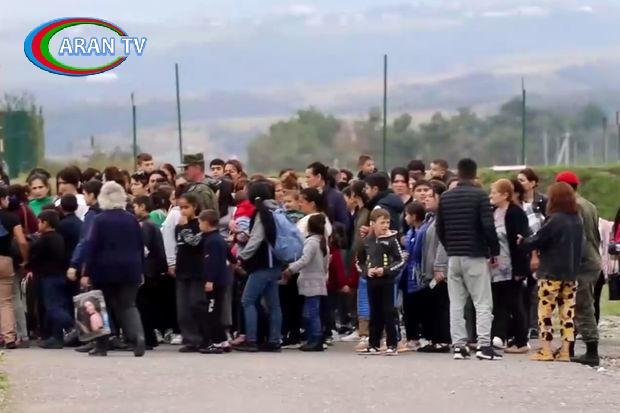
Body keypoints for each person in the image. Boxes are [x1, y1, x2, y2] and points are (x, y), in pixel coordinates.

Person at [435, 158, 501, 361]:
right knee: (482, 302)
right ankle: (484, 345)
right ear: (474, 174)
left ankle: (459, 346)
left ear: (458, 172)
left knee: (456, 303)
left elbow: (440, 228)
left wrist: (450, 247)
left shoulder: (446, 197)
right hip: (475, 255)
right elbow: (488, 226)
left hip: (454, 257)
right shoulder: (480, 196)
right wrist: (493, 250)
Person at [518, 182, 583, 362]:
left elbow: (538, 239)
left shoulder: (555, 219)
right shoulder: (577, 219)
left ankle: (546, 350)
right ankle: (565, 351)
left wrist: (522, 242)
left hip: (551, 272)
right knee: (567, 314)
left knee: (545, 312)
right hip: (571, 273)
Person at [82, 182, 145, 357]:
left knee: (102, 307)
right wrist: (141, 269)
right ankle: (138, 337)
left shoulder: (99, 220)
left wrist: (86, 272)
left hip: (103, 270)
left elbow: (92, 247)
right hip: (130, 269)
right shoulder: (132, 219)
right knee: (128, 305)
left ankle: (102, 345)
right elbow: (140, 245)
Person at [555, 171, 602, 366]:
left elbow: (577, 239)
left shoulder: (574, 208)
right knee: (573, 305)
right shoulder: (588, 205)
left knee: (582, 306)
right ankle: (569, 346)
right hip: (592, 259)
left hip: (582, 263)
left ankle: (592, 351)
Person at [234, 180, 282, 352]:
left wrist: (242, 256)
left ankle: (252, 339)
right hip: (276, 262)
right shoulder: (277, 209)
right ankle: (274, 340)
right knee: (274, 304)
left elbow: (256, 239)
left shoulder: (262, 212)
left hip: (263, 263)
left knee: (247, 300)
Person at [488, 179, 530, 354]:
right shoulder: (493, 212)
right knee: (498, 303)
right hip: (495, 266)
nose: (491, 196)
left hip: (512, 265)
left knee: (514, 303)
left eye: (494, 192)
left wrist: (520, 269)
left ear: (505, 194)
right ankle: (500, 336)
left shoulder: (515, 213)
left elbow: (520, 242)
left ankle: (521, 341)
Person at [356, 208, 404, 355]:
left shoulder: (391, 240)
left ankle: (392, 344)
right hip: (372, 282)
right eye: (382, 222)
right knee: (374, 312)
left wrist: (386, 270)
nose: (385, 226)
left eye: (387, 222)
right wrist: (367, 271)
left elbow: (400, 260)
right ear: (372, 223)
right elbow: (359, 261)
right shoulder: (366, 241)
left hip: (387, 281)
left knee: (388, 311)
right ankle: (373, 344)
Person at [283, 214, 330, 352]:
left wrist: (290, 269)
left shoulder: (311, 242)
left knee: (311, 312)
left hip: (310, 280)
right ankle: (314, 338)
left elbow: (305, 259)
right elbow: (325, 264)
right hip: (319, 279)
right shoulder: (323, 243)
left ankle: (315, 339)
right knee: (313, 311)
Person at [27, 210, 73, 349]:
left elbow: (34, 257)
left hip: (48, 277)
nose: (38, 225)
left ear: (45, 223)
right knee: (57, 305)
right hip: (60, 276)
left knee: (53, 307)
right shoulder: (59, 238)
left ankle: (72, 325)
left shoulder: (44, 240)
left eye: (39, 222)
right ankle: (56, 338)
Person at [173, 193, 208, 353]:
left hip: (196, 271)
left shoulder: (198, 224)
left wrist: (184, 227)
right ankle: (189, 339)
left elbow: (194, 242)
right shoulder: (179, 226)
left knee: (196, 304)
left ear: (194, 207)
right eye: (180, 208)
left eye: (186, 207)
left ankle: (202, 337)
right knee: (183, 309)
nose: (183, 211)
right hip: (182, 270)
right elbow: (180, 245)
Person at [419, 180, 450, 352]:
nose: (426, 198)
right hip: (429, 269)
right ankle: (434, 338)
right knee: (432, 304)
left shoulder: (443, 219)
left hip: (439, 269)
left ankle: (443, 340)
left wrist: (440, 266)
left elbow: (442, 245)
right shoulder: (430, 218)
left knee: (441, 304)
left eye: (431, 196)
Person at [132, 195, 167, 349]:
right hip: (154, 270)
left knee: (142, 305)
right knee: (147, 304)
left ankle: (147, 337)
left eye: (135, 206)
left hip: (147, 271)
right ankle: (150, 337)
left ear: (142, 207)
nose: (133, 209)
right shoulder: (151, 224)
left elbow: (144, 249)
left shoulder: (145, 226)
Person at [198, 209, 233, 354]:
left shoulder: (212, 241)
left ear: (206, 223)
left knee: (211, 312)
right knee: (216, 311)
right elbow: (229, 255)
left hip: (215, 282)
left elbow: (213, 262)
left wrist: (210, 280)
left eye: (200, 222)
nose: (199, 225)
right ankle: (223, 340)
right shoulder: (218, 238)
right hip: (222, 280)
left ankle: (213, 342)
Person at [341, 181, 370, 349]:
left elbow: (362, 236)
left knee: (361, 294)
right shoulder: (359, 211)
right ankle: (359, 327)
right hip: (356, 256)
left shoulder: (366, 211)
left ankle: (363, 330)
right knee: (357, 293)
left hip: (363, 257)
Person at [0, 185, 29, 349]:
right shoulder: (11, 217)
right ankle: (9, 337)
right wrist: (25, 259)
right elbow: (22, 241)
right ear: (3, 199)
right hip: (5, 260)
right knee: (5, 301)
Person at [400, 202, 428, 351]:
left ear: (414, 216)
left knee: (417, 306)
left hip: (417, 273)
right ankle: (411, 336)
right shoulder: (411, 232)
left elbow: (416, 252)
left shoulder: (422, 231)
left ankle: (418, 336)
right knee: (408, 307)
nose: (405, 218)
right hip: (407, 273)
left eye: (407, 215)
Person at [305, 162, 350, 232]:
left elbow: (345, 224)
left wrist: (325, 226)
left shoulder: (336, 196)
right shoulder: (307, 195)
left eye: (308, 177)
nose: (306, 180)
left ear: (319, 176)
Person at [58, 195, 83, 271]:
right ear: (77, 206)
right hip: (79, 261)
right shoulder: (81, 223)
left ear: (61, 207)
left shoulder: (61, 225)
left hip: (66, 263)